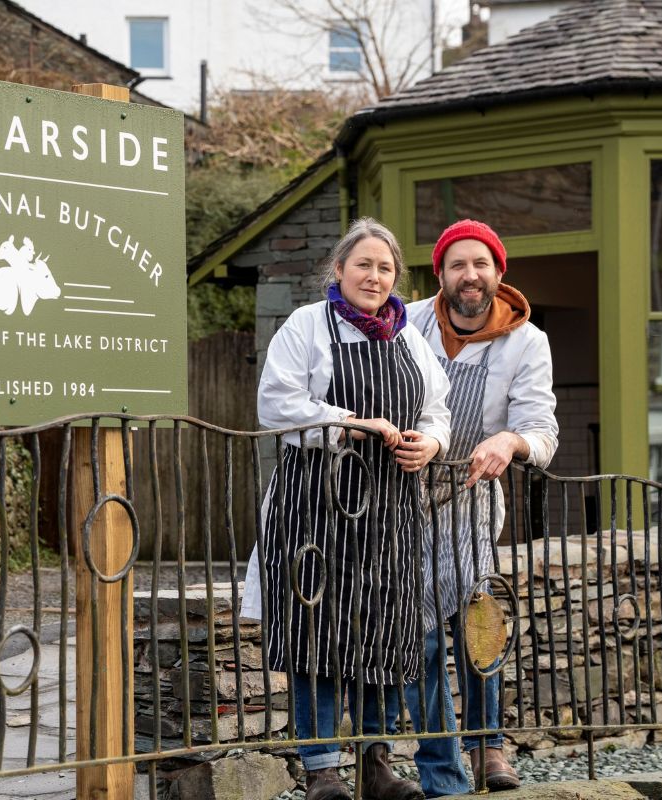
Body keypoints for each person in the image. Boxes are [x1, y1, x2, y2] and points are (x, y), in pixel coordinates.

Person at [243, 217, 452, 800]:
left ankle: (375, 764)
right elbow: (276, 404)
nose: (374, 276)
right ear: (338, 269)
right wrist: (350, 423)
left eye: (385, 268)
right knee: (316, 635)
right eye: (363, 264)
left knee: (382, 631)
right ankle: (322, 770)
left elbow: (437, 408)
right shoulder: (307, 326)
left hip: (388, 512)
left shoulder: (408, 338)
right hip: (315, 507)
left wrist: (432, 442)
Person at [404, 219, 559, 795]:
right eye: (457, 265)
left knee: (477, 621)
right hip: (402, 496)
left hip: (468, 496)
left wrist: (508, 441)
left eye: (480, 264)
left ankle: (488, 746)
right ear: (441, 274)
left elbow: (542, 431)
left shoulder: (526, 340)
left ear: (498, 271)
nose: (469, 275)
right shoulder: (407, 323)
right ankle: (440, 766)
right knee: (418, 636)